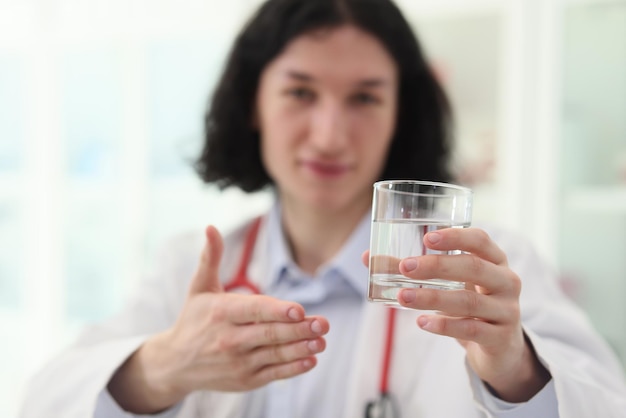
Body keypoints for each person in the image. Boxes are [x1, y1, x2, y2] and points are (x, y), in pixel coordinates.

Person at [20, 0, 626, 417]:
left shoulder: (479, 272)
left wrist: (516, 369)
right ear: (253, 102)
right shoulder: (193, 266)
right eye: (300, 92)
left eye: (365, 97)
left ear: (400, 115)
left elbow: (603, 403)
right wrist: (161, 368)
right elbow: (45, 400)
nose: (331, 135)